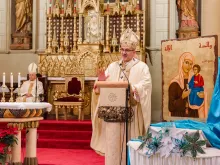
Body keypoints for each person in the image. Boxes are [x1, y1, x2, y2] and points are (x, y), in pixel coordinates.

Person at [90, 28, 152, 155]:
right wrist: (100, 82)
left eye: (127, 50)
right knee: (114, 151)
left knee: (129, 149)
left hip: (132, 111)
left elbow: (146, 85)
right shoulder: (113, 66)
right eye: (122, 49)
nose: (123, 53)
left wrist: (134, 88)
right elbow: (98, 88)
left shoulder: (142, 67)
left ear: (134, 52)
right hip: (114, 113)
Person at [168, 52, 207, 118]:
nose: (189, 66)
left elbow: (200, 92)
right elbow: (171, 107)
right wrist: (182, 97)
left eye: (191, 64)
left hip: (193, 115)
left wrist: (202, 95)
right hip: (179, 117)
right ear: (181, 63)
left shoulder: (193, 80)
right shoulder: (175, 83)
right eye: (186, 62)